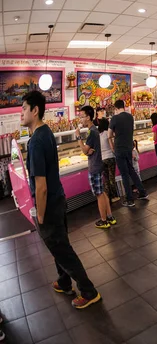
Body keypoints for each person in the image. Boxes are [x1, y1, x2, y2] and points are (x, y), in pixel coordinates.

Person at [21, 91, 101, 309]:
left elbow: (41, 186)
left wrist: (41, 214)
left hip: (50, 204)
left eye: (24, 109)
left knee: (61, 248)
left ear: (35, 110)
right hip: (59, 198)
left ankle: (88, 290)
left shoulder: (36, 141)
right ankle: (65, 282)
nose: (21, 113)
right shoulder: (45, 132)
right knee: (59, 245)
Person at [76, 107, 116, 229]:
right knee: (103, 192)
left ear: (88, 117)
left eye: (82, 116)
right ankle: (110, 216)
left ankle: (103, 220)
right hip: (98, 164)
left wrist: (78, 137)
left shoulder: (92, 132)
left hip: (94, 166)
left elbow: (84, 150)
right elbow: (89, 150)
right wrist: (88, 151)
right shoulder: (93, 131)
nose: (80, 119)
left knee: (99, 195)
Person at [108, 100, 148, 207]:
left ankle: (129, 199)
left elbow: (109, 135)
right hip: (129, 147)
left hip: (119, 148)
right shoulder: (130, 117)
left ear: (115, 108)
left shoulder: (114, 118)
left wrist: (113, 143)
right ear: (124, 106)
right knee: (131, 170)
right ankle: (142, 192)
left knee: (124, 174)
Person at [98, 118, 119, 203]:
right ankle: (114, 196)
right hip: (110, 157)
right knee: (111, 178)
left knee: (106, 179)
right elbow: (112, 146)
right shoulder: (108, 133)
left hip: (102, 159)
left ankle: (107, 197)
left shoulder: (98, 135)